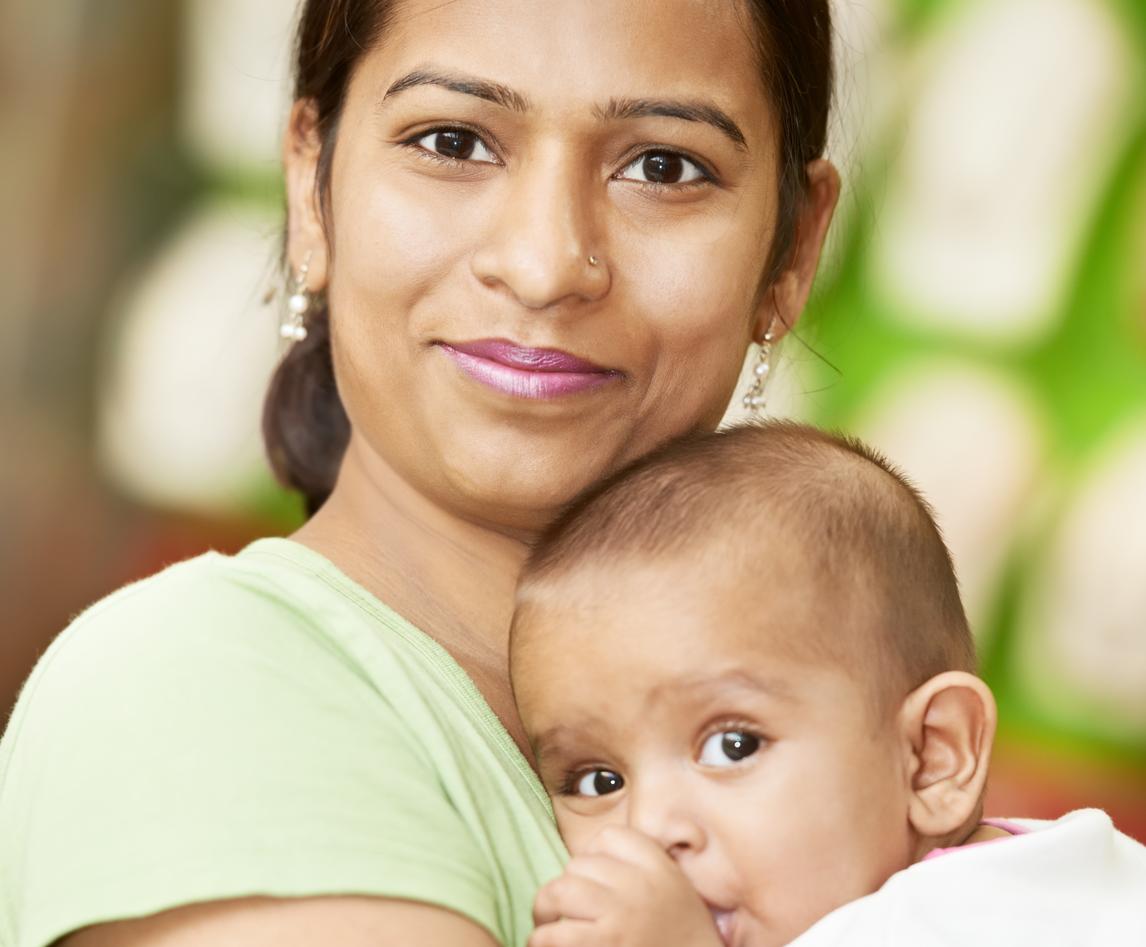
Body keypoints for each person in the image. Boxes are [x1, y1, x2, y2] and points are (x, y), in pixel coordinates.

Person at [0, 2, 841, 946]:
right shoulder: (188, 690)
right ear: (310, 191)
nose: (545, 264)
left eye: (663, 165)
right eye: (453, 140)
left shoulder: (837, 756)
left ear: (793, 251)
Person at [511, 422, 1146, 947]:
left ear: (931, 758)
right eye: (598, 781)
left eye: (733, 746)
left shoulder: (971, 919)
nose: (649, 826)